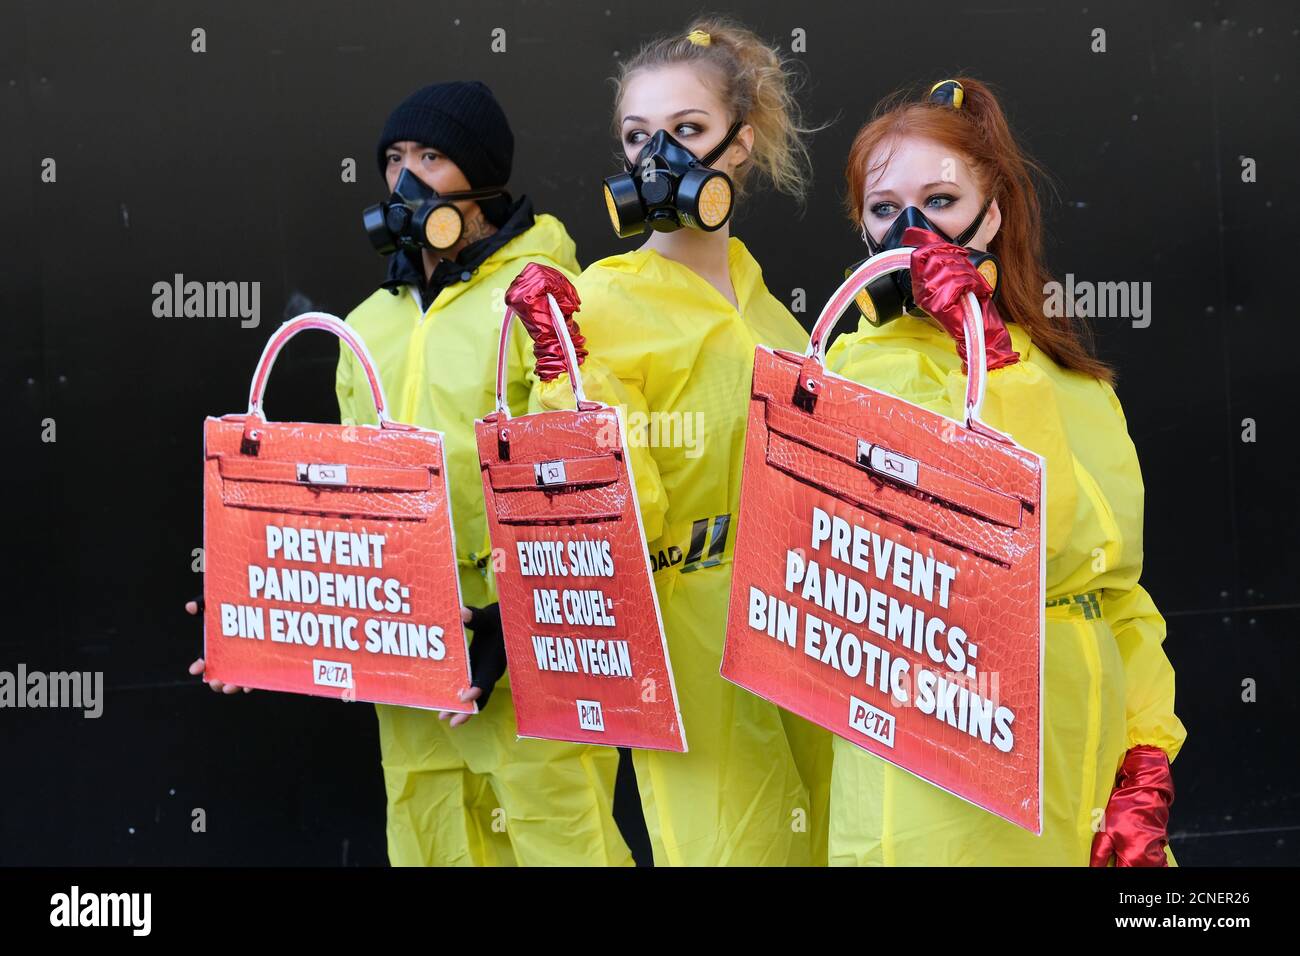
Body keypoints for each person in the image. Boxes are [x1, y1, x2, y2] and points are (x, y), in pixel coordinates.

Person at [192, 81, 632, 868]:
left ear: (484, 178)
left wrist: (514, 626)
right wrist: (254, 609)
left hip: (522, 649)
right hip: (409, 647)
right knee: (431, 841)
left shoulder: (542, 304)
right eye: (394, 160)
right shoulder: (367, 328)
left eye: (432, 156)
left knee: (563, 842)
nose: (407, 180)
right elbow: (341, 501)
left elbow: (585, 488)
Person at [824, 77, 1186, 865]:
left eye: (941, 200)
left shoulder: (1076, 380)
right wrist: (981, 352)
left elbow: (1115, 593)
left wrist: (1146, 758)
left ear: (995, 212)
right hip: (940, 770)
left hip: (1082, 759)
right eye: (885, 210)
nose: (912, 231)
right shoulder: (850, 382)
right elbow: (1006, 542)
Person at [530, 19, 834, 866]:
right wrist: (568, 381)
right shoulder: (597, 304)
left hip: (808, 617)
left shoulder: (778, 316)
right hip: (688, 629)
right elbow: (599, 509)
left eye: (687, 131)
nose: (656, 157)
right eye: (637, 137)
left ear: (741, 146)